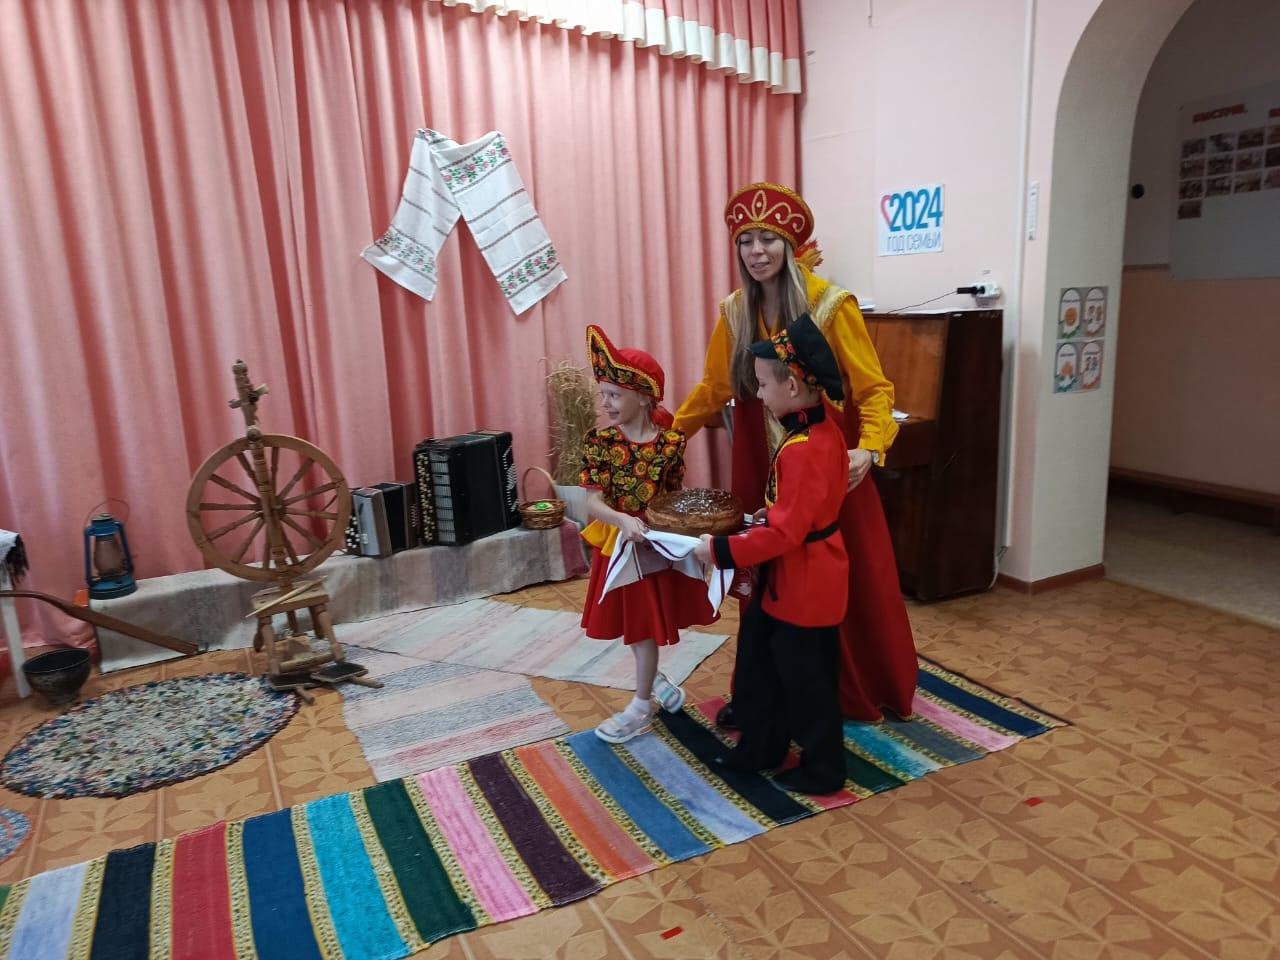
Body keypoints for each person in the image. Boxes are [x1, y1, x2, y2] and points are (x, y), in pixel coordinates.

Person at [675, 182, 917, 724]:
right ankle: (762, 694)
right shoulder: (734, 311)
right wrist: (670, 436)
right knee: (762, 577)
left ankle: (852, 689)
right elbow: (713, 388)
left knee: (842, 575)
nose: (756, 251)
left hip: (828, 467)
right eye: (746, 241)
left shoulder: (832, 305)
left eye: (767, 239)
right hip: (759, 464)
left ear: (789, 245)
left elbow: (874, 389)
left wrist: (870, 449)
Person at [693, 313, 848, 794]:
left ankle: (824, 770)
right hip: (801, 577)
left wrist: (718, 549)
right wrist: (769, 515)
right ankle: (762, 746)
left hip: (804, 585)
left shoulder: (803, 447)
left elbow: (786, 535)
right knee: (768, 664)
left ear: (794, 386)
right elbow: (799, 511)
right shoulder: (821, 431)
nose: (758, 395)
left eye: (763, 385)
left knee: (806, 682)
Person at [579, 325, 718, 744]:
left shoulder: (671, 443)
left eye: (614, 395)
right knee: (635, 623)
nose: (606, 403)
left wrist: (690, 537)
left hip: (657, 544)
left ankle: (642, 704)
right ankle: (651, 683)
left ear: (643, 397)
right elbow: (592, 502)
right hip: (621, 544)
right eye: (603, 395)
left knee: (643, 625)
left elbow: (675, 496)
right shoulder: (601, 442)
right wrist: (621, 520)